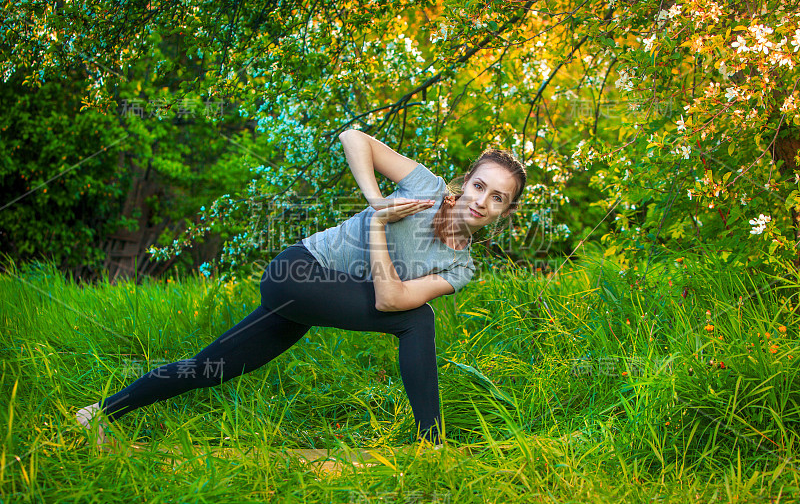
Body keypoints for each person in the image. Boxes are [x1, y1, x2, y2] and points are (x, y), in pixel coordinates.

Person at [76, 129, 527, 447]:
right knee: (419, 320)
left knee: (212, 367)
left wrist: (376, 228)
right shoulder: (424, 187)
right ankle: (433, 444)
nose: (481, 201)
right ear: (464, 182)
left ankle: (98, 413)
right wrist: (375, 202)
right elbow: (354, 137)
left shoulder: (459, 266)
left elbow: (392, 299)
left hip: (312, 300)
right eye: (479, 186)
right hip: (297, 272)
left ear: (504, 213)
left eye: (497, 198)